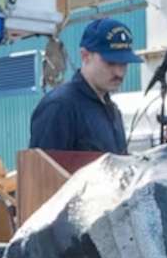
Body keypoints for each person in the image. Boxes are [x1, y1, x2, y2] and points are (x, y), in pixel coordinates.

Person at [28, 18, 134, 155]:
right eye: (111, 62)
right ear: (85, 56)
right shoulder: (60, 107)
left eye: (124, 63)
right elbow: (41, 172)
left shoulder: (113, 112)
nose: (119, 72)